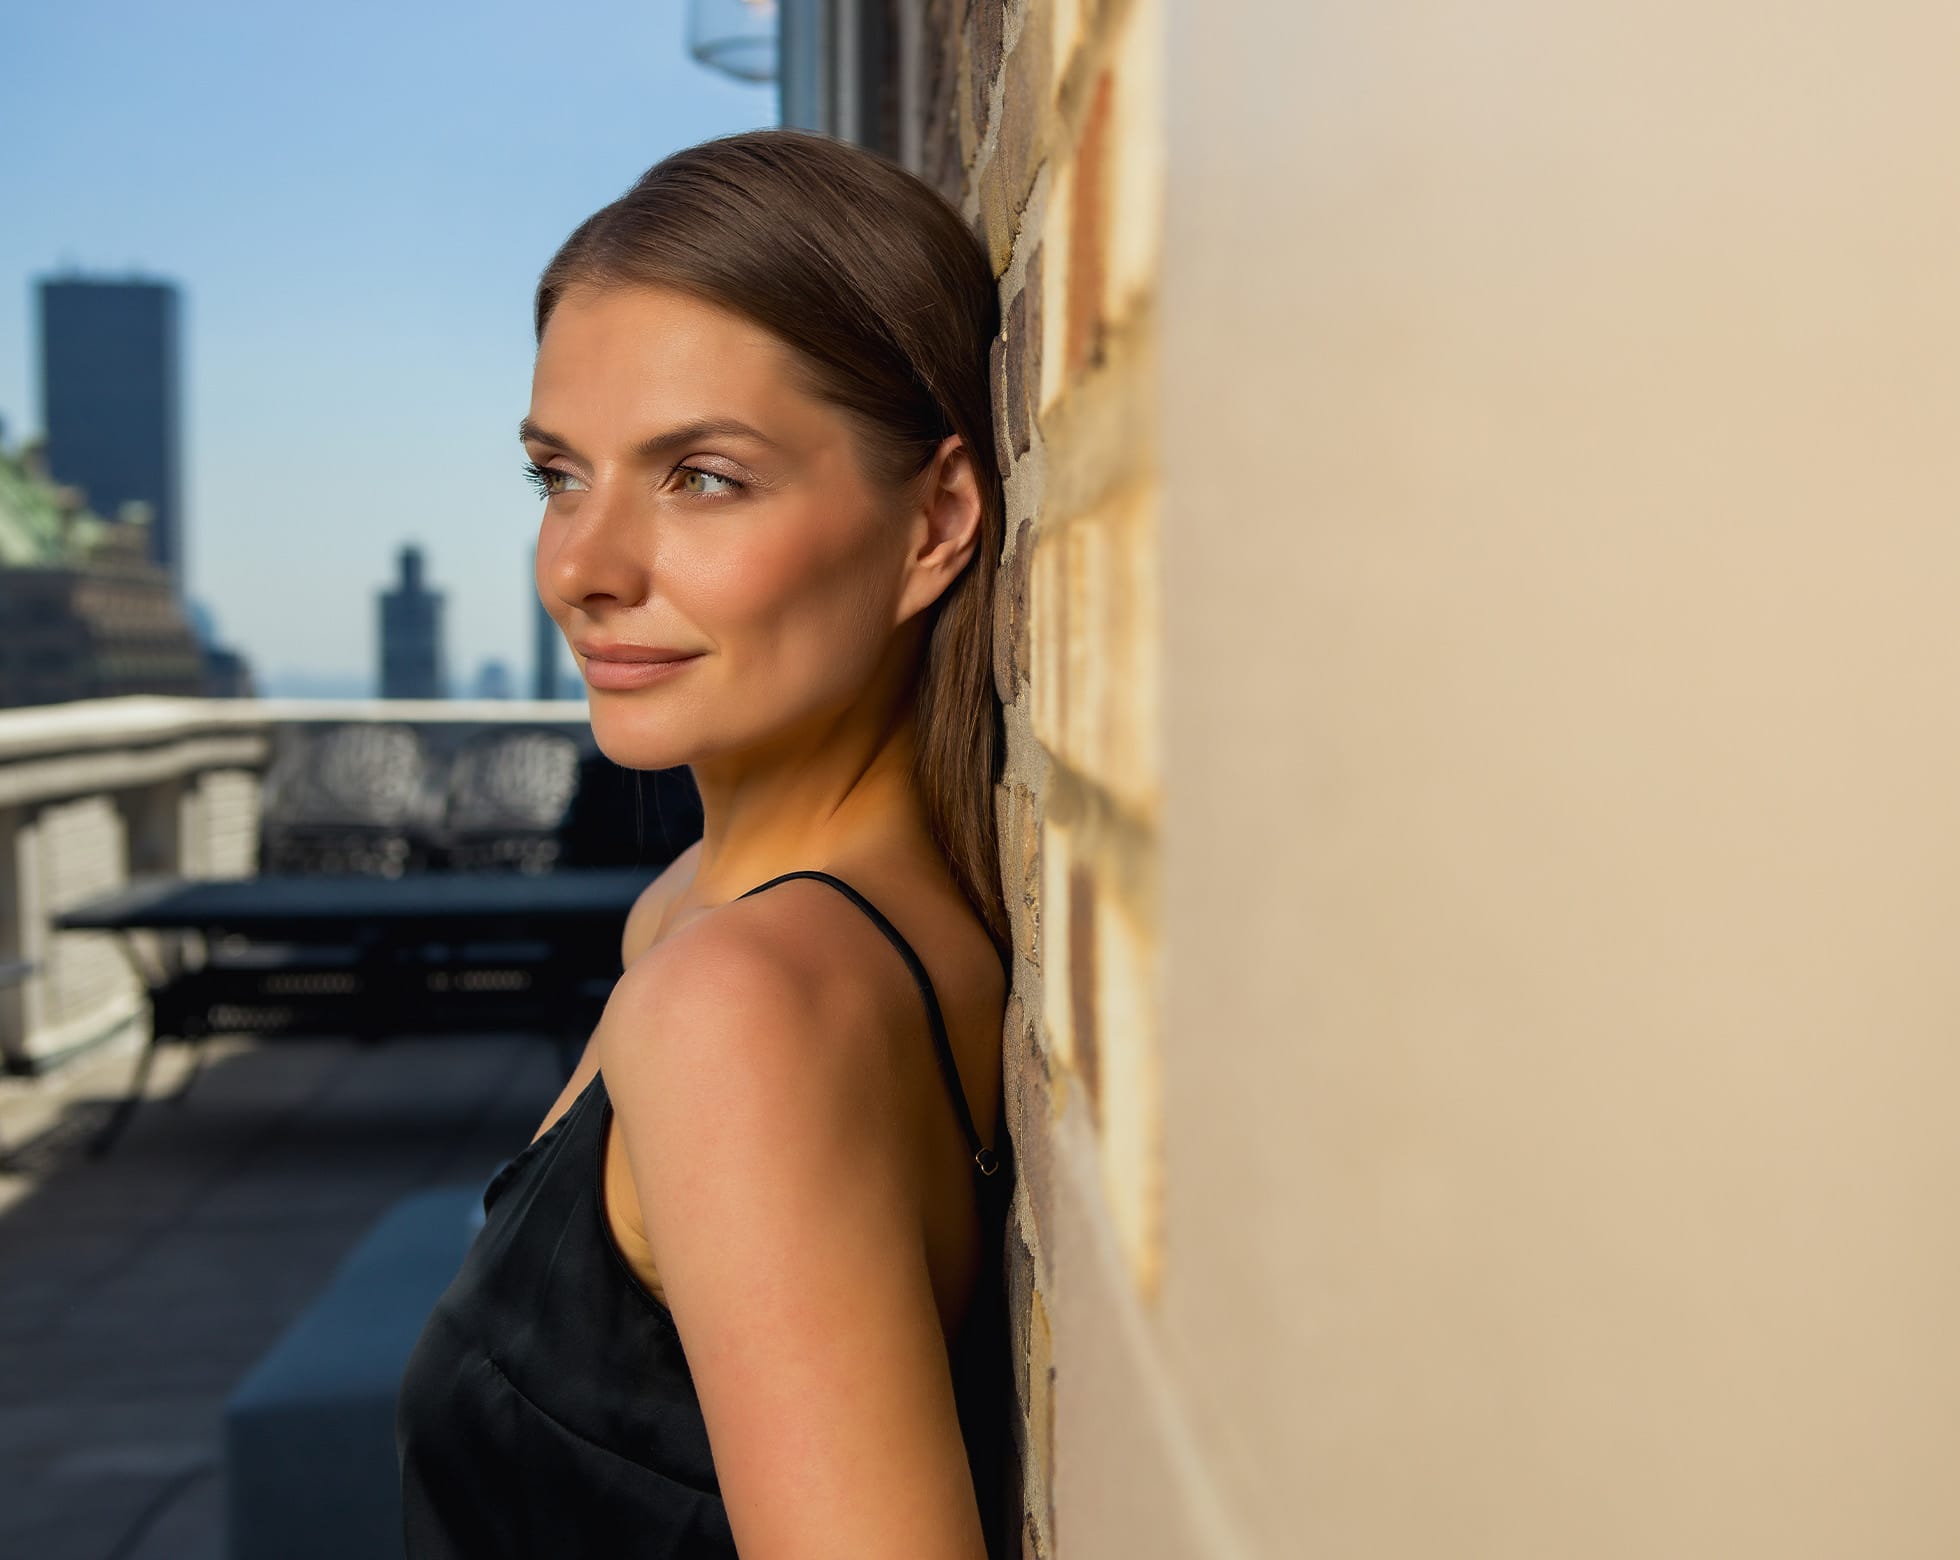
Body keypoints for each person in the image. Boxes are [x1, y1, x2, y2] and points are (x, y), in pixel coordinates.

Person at [395, 127, 1017, 1560]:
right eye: (560, 475)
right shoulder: (696, 914)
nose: (584, 568)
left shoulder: (739, 1004)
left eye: (704, 478)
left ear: (935, 522)